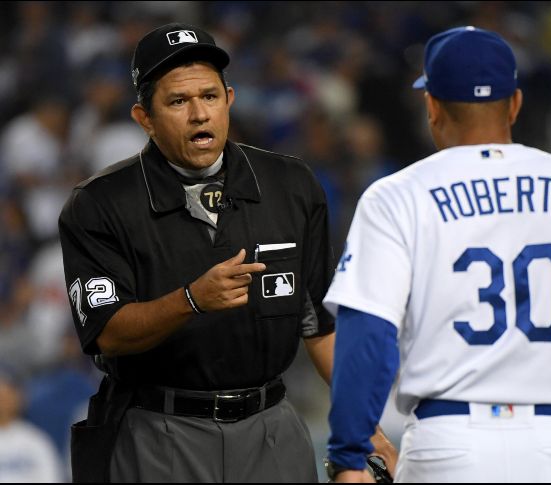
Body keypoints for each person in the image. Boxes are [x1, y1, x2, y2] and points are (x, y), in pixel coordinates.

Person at [322, 26, 551, 483]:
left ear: (431, 105)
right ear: (515, 104)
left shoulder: (396, 197)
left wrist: (349, 454)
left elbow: (369, 334)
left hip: (447, 444)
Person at [58, 22, 393, 483]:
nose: (199, 114)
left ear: (229, 100)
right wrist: (191, 300)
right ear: (144, 117)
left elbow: (319, 323)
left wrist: (365, 428)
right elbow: (108, 333)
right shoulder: (100, 203)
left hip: (271, 427)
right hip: (160, 430)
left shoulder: (291, 185)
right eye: (178, 101)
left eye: (210, 96)